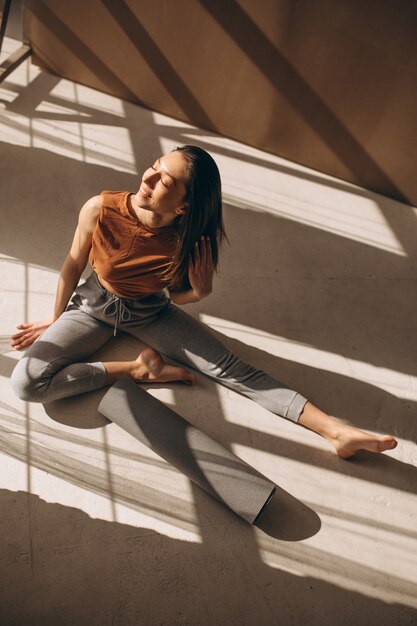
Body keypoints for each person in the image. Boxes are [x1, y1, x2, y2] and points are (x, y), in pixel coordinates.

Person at [11, 145, 397, 459]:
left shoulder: (191, 239)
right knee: (27, 384)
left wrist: (200, 293)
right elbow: (74, 263)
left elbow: (174, 294)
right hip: (93, 305)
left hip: (150, 312)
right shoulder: (100, 208)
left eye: (165, 180)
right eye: (154, 166)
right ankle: (136, 370)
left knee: (235, 371)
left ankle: (337, 431)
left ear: (183, 206)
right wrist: (55, 316)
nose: (148, 178)